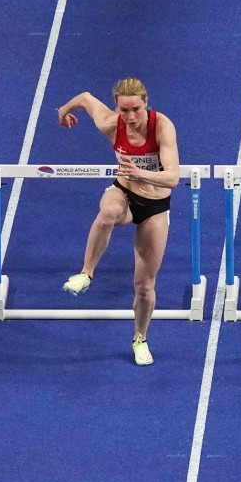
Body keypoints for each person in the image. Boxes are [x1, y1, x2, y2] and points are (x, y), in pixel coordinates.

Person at [57, 78, 181, 366]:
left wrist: (141, 172)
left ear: (146, 104)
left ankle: (140, 337)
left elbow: (173, 178)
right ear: (117, 108)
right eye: (124, 110)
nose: (130, 117)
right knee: (109, 211)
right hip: (124, 193)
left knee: (144, 286)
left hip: (155, 206)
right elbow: (86, 97)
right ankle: (86, 273)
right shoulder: (111, 125)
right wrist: (63, 112)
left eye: (135, 109)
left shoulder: (162, 126)